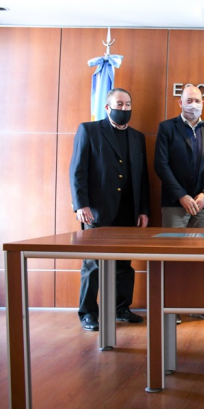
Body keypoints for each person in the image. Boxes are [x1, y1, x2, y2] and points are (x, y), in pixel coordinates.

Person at [69, 88, 150, 331]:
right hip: (96, 210)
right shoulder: (89, 130)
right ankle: (88, 313)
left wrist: (143, 209)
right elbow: (77, 169)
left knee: (124, 264)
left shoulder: (138, 137)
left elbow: (142, 176)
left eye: (127, 105)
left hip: (129, 211)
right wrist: (80, 204)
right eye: (119, 104)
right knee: (93, 264)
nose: (123, 109)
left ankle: (121, 308)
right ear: (107, 107)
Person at [155, 84, 204, 322]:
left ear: (203, 103)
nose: (193, 104)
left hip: (203, 205)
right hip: (176, 204)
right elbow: (161, 165)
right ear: (180, 103)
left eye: (197, 100)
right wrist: (182, 196)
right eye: (189, 100)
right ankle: (171, 309)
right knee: (173, 257)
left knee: (201, 257)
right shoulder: (166, 128)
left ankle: (200, 304)